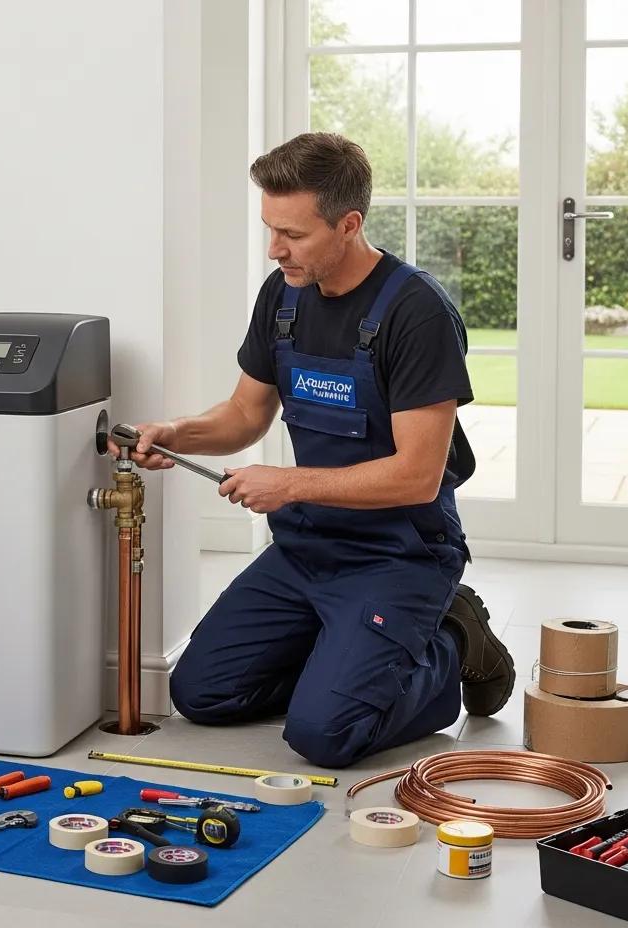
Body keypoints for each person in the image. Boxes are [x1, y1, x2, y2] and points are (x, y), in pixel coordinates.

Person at [114, 132, 515, 769]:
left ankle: (453, 642)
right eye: (270, 230)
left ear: (348, 224)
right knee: (201, 691)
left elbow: (417, 476)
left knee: (325, 736)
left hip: (399, 554)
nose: (276, 250)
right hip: (309, 548)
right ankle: (347, 661)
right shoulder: (283, 296)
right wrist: (175, 433)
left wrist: (291, 484)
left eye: (293, 235)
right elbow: (245, 414)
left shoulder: (416, 313)